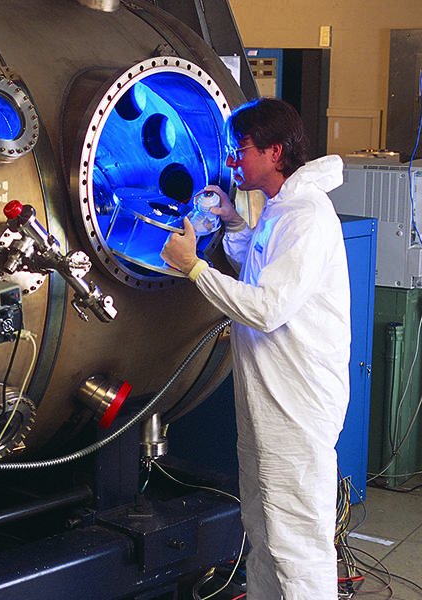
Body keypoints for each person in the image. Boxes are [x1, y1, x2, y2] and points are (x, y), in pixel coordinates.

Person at [161, 97, 350, 600]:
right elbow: (258, 268)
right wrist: (233, 222)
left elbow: (267, 307)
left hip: (296, 407)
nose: (232, 160)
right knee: (265, 535)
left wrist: (193, 267)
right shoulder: (280, 207)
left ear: (275, 151)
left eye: (240, 148)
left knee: (296, 546)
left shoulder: (307, 216)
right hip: (269, 403)